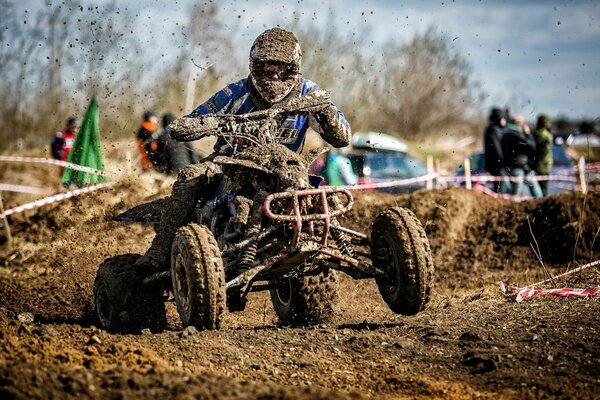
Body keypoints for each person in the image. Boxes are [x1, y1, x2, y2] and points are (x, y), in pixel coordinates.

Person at [134, 27, 351, 275]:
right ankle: (160, 249)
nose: (273, 79)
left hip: (288, 166)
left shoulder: (308, 93)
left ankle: (339, 243)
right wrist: (213, 123)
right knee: (191, 175)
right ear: (254, 66)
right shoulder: (236, 93)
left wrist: (327, 112)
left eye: (281, 70)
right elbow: (181, 126)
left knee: (319, 191)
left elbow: (343, 137)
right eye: (265, 70)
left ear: (294, 68)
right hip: (230, 164)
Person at [500, 116, 543, 198]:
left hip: (521, 167)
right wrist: (528, 134)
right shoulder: (515, 135)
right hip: (518, 167)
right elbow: (531, 146)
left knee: (531, 187)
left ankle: (540, 204)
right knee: (517, 193)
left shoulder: (507, 134)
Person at [483, 108, 506, 192]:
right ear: (499, 118)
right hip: (497, 164)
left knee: (498, 186)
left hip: (493, 163)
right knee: (500, 188)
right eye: (503, 118)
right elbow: (497, 148)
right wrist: (503, 160)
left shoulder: (491, 128)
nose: (504, 121)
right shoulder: (494, 130)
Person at [532, 114, 553, 195]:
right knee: (543, 188)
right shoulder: (546, 135)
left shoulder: (536, 133)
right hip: (544, 164)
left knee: (540, 188)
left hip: (538, 164)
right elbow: (546, 150)